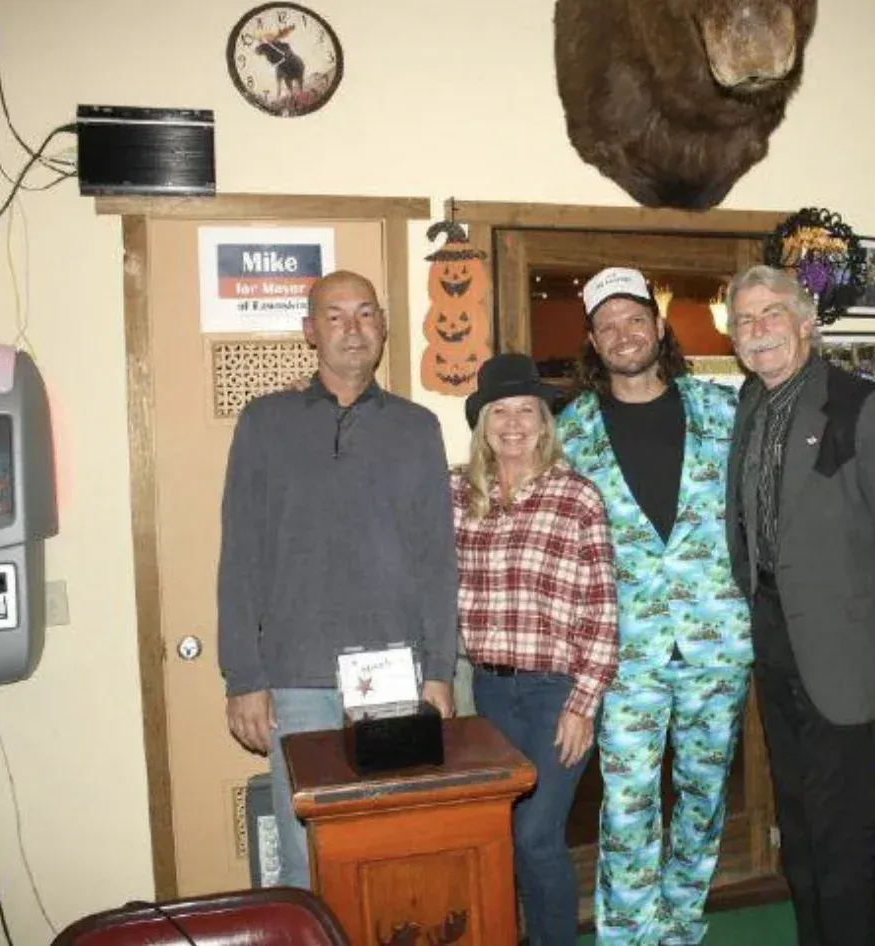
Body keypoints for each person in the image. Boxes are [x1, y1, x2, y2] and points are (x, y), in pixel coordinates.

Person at [723, 264, 875, 946]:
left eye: (771, 315)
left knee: (841, 828)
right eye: (744, 320)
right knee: (796, 821)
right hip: (773, 635)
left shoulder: (862, 407)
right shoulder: (748, 403)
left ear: (805, 323)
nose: (758, 330)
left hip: (845, 652)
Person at [217, 270, 458, 889]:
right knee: (307, 860)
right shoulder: (264, 424)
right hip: (296, 681)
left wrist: (438, 671)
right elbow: (240, 555)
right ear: (309, 331)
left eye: (366, 314)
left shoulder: (416, 428)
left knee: (391, 849)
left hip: (395, 683)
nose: (353, 329)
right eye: (335, 316)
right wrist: (245, 676)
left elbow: (436, 560)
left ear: (383, 328)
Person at [557, 267, 753, 945]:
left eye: (634, 319)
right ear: (592, 339)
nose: (623, 334)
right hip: (624, 652)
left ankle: (682, 926)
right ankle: (632, 935)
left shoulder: (724, 410)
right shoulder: (569, 432)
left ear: (658, 326)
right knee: (631, 804)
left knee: (702, 800)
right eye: (607, 325)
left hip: (716, 647)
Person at [452, 353, 619, 946]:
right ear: (484, 424)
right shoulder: (457, 496)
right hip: (488, 692)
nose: (515, 423)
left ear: (546, 423)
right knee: (505, 830)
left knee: (537, 834)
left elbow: (603, 610)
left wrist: (584, 703)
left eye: (528, 410)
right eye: (502, 410)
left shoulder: (578, 497)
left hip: (556, 693)